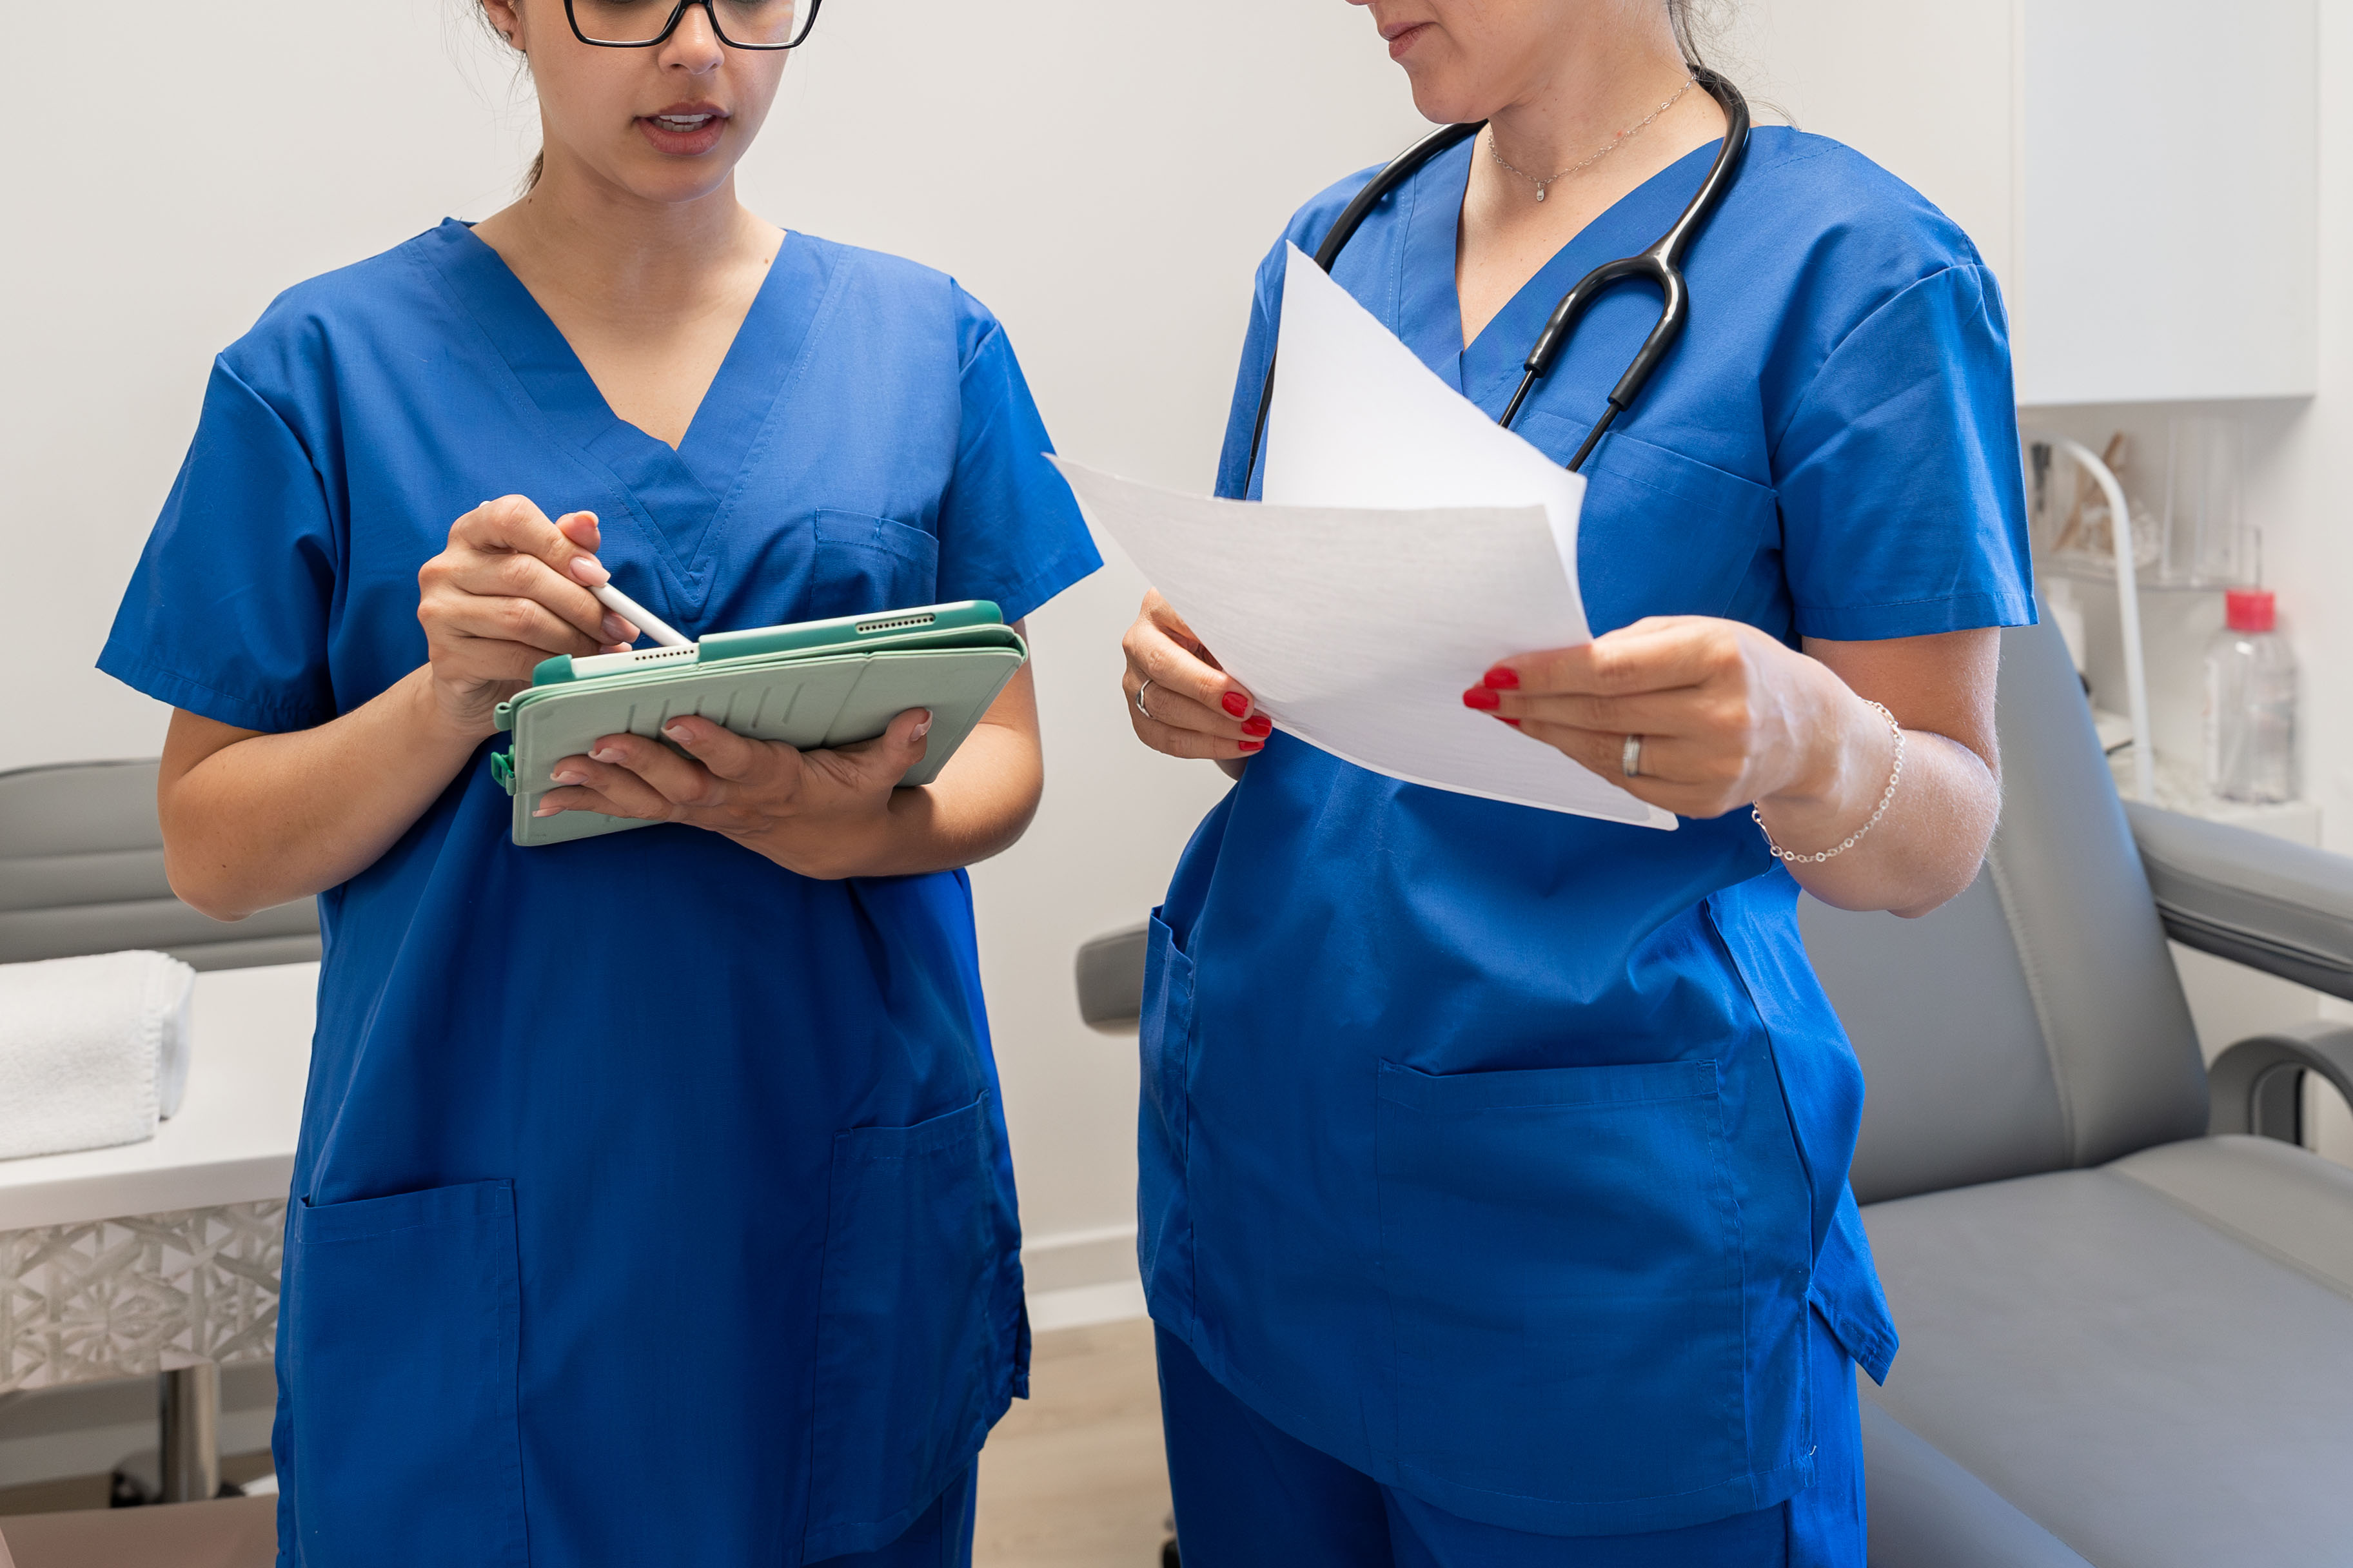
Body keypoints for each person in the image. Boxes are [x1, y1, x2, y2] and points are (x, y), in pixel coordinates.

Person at [98, 1, 1099, 1562]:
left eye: (751, 0)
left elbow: (1010, 760)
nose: (698, 50)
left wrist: (843, 825)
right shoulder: (322, 368)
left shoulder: (927, 346)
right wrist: (445, 700)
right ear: (505, 9)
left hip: (831, 1185)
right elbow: (211, 846)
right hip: (495, 1210)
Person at [1117, 1, 2029, 1563]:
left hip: (1604, 1259)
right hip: (1264, 1167)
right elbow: (1250, 638)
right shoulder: (1332, 249)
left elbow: (1940, 824)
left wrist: (1811, 737)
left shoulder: (1862, 275)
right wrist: (1177, 682)